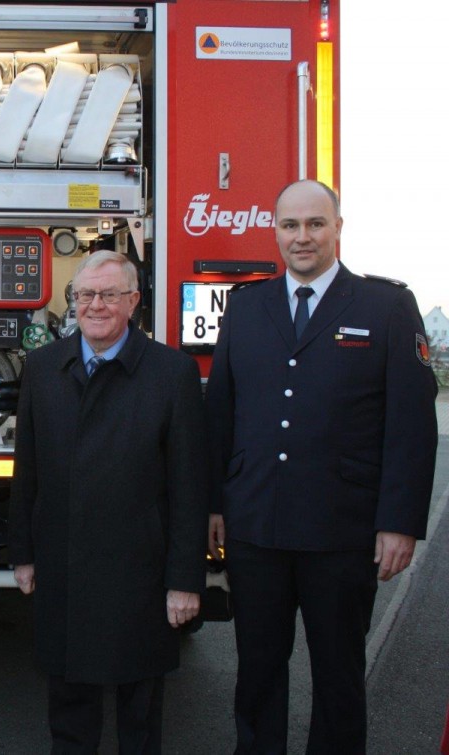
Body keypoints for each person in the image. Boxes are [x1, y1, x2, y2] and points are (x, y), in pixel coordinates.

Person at [204, 179, 439, 753]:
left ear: (338, 228)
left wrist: (400, 522)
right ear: (276, 232)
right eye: (290, 225)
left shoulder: (385, 306)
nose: (301, 237)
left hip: (343, 529)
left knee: (338, 674)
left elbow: (411, 424)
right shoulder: (246, 305)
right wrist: (213, 503)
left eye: (314, 224)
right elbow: (222, 412)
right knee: (257, 669)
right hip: (257, 525)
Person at [9, 250, 209, 753]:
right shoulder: (43, 367)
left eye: (108, 294)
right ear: (72, 301)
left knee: (139, 718)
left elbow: (189, 487)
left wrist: (185, 581)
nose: (95, 305)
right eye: (84, 295)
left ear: (134, 301)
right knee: (70, 715)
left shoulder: (172, 374)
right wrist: (23, 553)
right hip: (64, 568)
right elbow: (26, 471)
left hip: (140, 574)